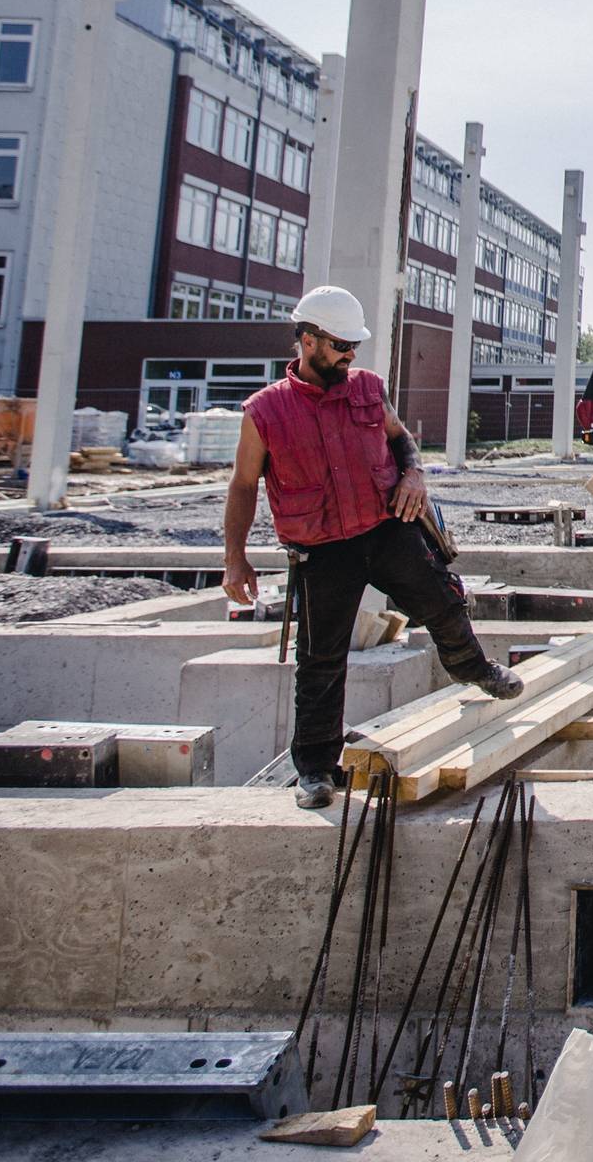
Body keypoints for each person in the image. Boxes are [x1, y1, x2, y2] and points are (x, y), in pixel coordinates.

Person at [223, 286, 523, 810]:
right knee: (319, 657)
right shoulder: (265, 412)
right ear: (308, 340)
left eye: (353, 346)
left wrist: (414, 475)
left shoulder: (366, 388)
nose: (349, 355)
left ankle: (474, 669)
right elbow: (244, 486)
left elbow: (400, 437)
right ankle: (315, 769)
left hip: (385, 528)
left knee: (444, 600)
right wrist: (235, 558)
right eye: (340, 345)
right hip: (322, 550)